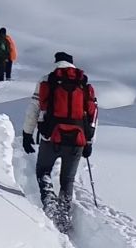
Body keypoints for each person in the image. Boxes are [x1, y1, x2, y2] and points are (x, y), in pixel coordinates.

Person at [20, 52, 99, 220]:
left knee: (43, 170)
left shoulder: (47, 80)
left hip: (51, 137)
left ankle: (49, 199)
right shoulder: (83, 82)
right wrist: (89, 142)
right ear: (72, 64)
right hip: (77, 139)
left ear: (56, 62)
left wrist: (27, 134)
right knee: (68, 179)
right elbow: (93, 114)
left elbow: (34, 108)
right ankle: (63, 215)